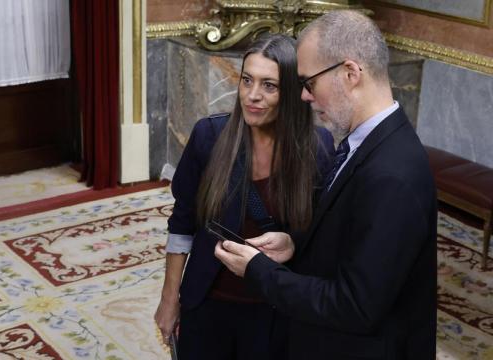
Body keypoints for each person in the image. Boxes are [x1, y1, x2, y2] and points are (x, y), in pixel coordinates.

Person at [215, 10, 437, 360]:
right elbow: (349, 235)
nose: (303, 96)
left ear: (350, 74)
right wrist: (294, 244)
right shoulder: (364, 141)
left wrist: (259, 271)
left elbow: (354, 306)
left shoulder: (392, 175)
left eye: (309, 82)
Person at [154, 34, 334, 360]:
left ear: (292, 93)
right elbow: (182, 222)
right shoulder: (208, 137)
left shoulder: (317, 149)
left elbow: (321, 233)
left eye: (269, 86)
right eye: (247, 80)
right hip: (208, 301)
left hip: (275, 308)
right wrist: (169, 300)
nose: (252, 96)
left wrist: (292, 241)